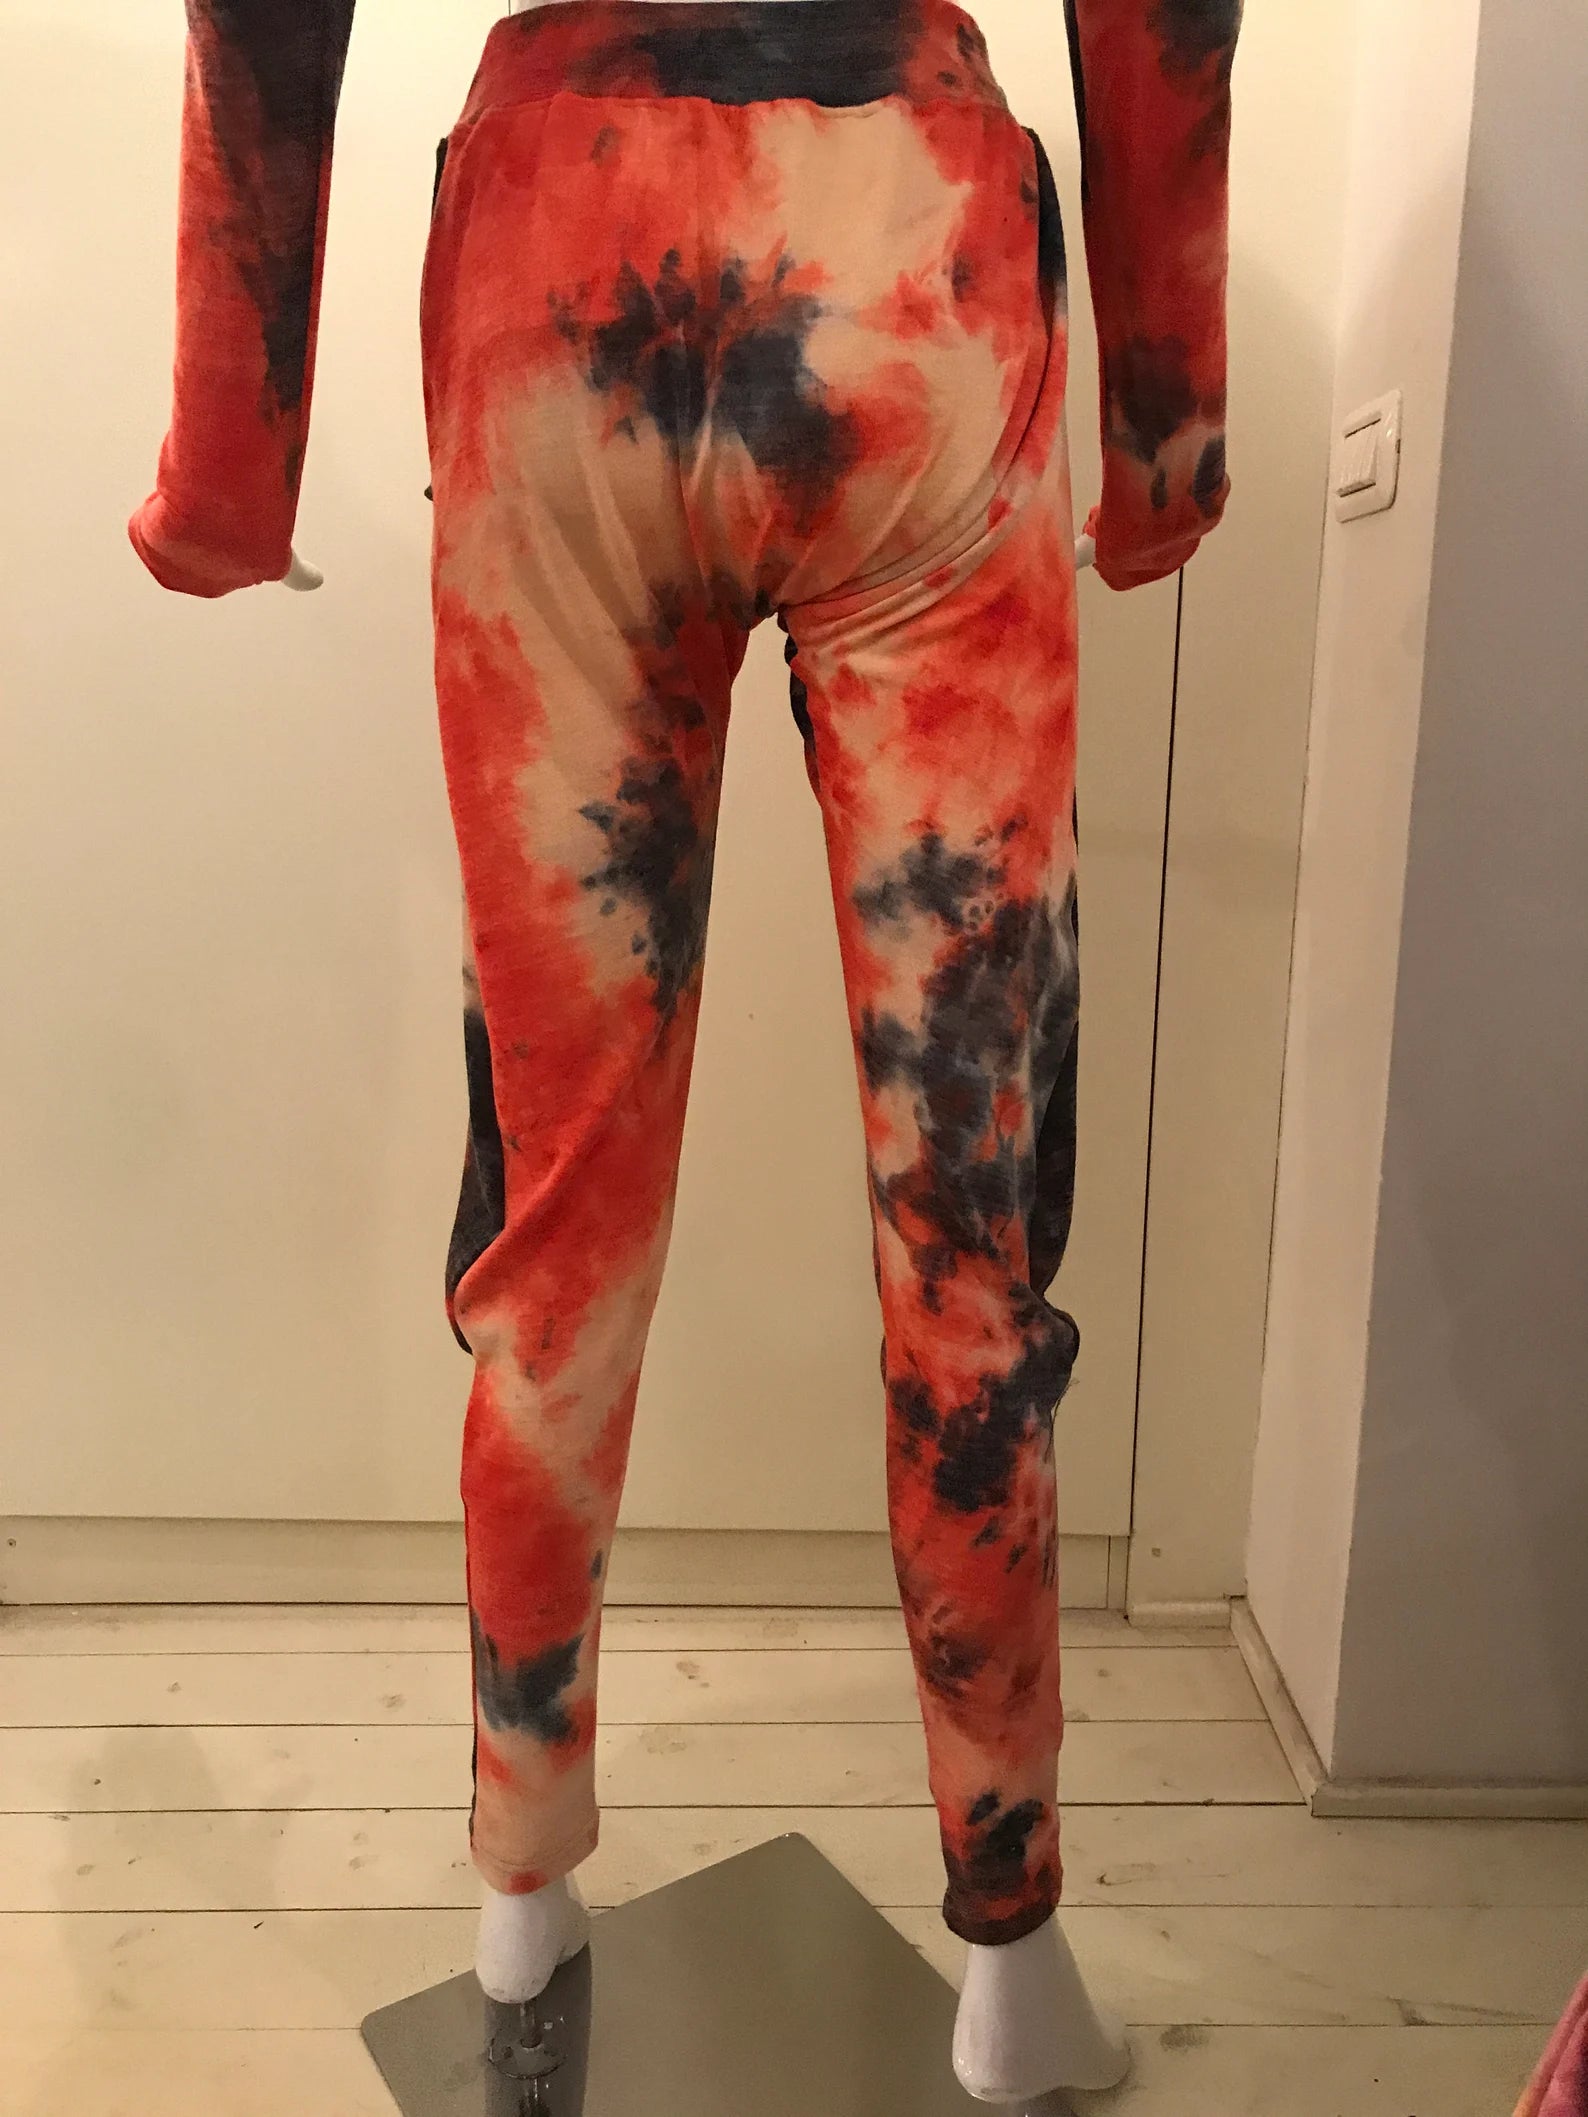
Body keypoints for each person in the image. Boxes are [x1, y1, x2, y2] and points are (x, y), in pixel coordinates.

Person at [130, 0, 1238, 2098]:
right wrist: (1163, 441)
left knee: (557, 1206)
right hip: (912, 265)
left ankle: (522, 1883)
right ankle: (1012, 1963)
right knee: (968, 1214)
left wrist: (227, 462)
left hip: (560, 272)